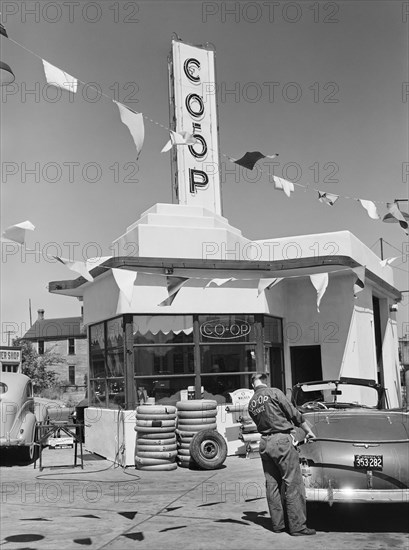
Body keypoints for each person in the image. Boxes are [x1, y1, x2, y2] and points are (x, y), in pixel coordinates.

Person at [248, 373, 316, 536]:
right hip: (281, 442)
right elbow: (293, 413)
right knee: (293, 483)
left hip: (264, 443)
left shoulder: (251, 404)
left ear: (253, 386)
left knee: (272, 485)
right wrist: (308, 431)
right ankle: (297, 526)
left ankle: (278, 525)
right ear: (266, 382)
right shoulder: (274, 392)